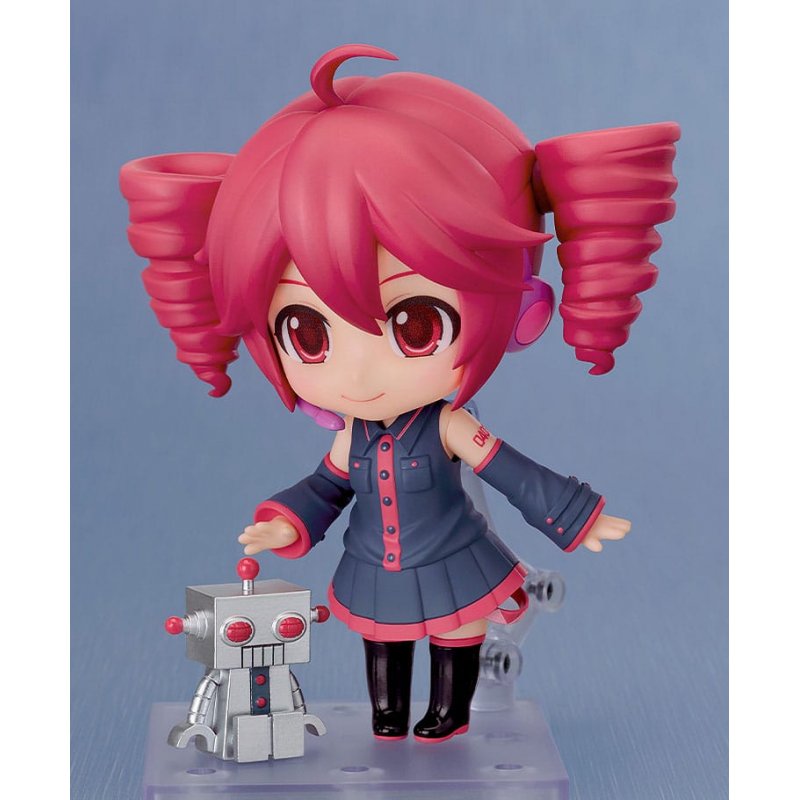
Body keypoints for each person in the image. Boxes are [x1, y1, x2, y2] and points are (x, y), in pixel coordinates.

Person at [120, 43, 679, 743]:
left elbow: (512, 473)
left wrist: (575, 515)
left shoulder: (450, 427)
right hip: (374, 564)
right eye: (308, 334)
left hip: (454, 557)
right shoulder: (350, 436)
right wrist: (288, 521)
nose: (358, 373)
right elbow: (325, 488)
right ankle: (387, 713)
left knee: (457, 633)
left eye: (415, 324)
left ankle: (449, 713)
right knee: (383, 639)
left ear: (520, 310)